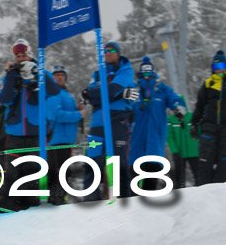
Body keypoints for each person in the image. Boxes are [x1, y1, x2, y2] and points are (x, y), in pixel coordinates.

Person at [0, 38, 61, 211]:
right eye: (17, 55)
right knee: (13, 173)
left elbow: (54, 91)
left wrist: (37, 72)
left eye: (23, 54)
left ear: (30, 54)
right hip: (15, 134)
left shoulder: (40, 72)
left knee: (36, 172)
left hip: (36, 133)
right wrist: (11, 74)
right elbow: (4, 100)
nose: (20, 58)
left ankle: (40, 208)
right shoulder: (12, 75)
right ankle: (10, 209)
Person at [81, 41, 138, 200]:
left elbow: (111, 89)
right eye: (104, 51)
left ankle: (122, 201)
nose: (107, 53)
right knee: (92, 162)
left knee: (118, 164)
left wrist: (96, 94)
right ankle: (90, 201)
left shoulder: (126, 70)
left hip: (117, 119)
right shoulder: (98, 73)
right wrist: (119, 94)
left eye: (111, 50)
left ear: (118, 53)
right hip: (97, 122)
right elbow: (92, 99)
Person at [128, 56, 185, 191]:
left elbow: (174, 99)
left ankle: (149, 199)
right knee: (134, 174)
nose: (147, 76)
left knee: (152, 173)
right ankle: (133, 201)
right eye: (144, 73)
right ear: (140, 74)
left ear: (153, 73)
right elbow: (126, 106)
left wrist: (178, 109)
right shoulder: (134, 90)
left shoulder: (162, 90)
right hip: (137, 138)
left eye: (149, 73)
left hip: (155, 137)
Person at [47, 64, 85, 205]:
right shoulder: (54, 93)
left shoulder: (65, 93)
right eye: (57, 75)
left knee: (64, 172)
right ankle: (56, 200)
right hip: (56, 139)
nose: (60, 77)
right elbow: (56, 115)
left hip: (66, 139)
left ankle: (59, 198)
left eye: (62, 75)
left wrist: (77, 108)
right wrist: (78, 114)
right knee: (59, 172)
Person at [191, 49, 226, 185]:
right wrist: (194, 123)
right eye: (215, 67)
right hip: (209, 126)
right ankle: (203, 189)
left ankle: (220, 188)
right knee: (205, 159)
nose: (218, 70)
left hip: (225, 127)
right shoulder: (208, 84)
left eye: (221, 67)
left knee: (224, 159)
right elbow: (200, 106)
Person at [167, 96, 199, 188]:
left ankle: (200, 193)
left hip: (194, 152)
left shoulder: (192, 117)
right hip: (179, 153)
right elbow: (169, 136)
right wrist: (174, 151)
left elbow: (199, 132)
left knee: (198, 176)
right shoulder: (171, 120)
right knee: (179, 179)